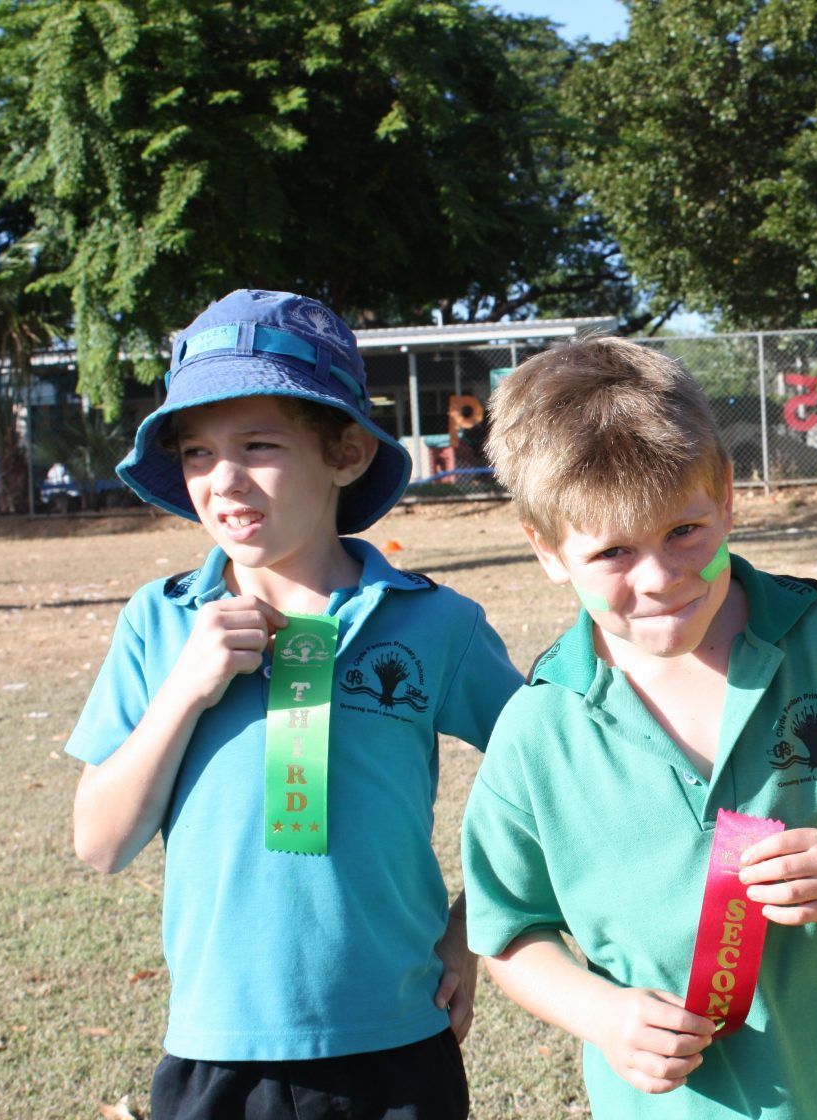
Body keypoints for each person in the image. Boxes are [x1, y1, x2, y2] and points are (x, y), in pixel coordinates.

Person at [461, 337, 817, 1119]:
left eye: (686, 532)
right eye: (612, 551)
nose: (660, 579)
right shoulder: (540, 728)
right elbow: (510, 932)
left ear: (728, 499)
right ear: (546, 550)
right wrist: (600, 1015)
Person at [67, 290, 523, 1120]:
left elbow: (552, 781)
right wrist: (186, 690)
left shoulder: (434, 624)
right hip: (217, 1052)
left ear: (346, 452)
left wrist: (469, 928)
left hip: (399, 1045)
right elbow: (100, 844)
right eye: (198, 453)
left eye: (260, 445)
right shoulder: (159, 621)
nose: (224, 480)